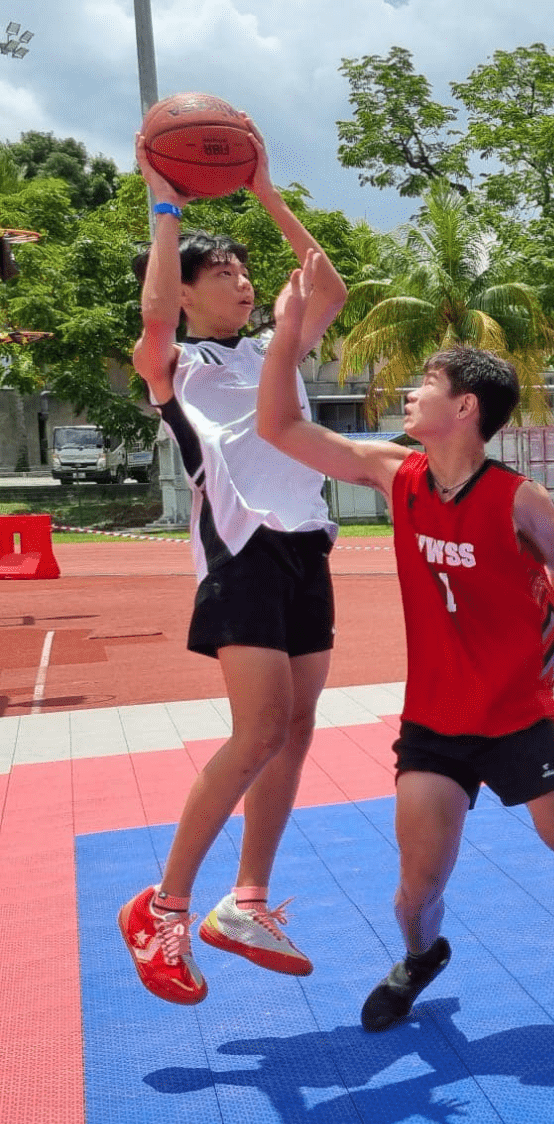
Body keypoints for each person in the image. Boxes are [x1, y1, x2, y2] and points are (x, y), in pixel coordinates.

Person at [251, 263, 554, 1046]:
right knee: (415, 889)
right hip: (435, 722)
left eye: (424, 382)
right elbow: (280, 429)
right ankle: (420, 957)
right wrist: (283, 335)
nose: (407, 392)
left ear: (465, 406)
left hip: (514, 716)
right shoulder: (394, 473)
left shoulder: (518, 498)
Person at [116, 126, 349, 1005]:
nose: (246, 284)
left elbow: (325, 283)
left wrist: (262, 188)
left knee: (295, 731)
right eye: (225, 274)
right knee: (256, 732)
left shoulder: (272, 351)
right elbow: (149, 315)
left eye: (249, 274)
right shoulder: (176, 362)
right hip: (242, 553)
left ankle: (244, 902)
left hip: (305, 550)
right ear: (185, 291)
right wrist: (166, 204)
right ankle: (162, 908)